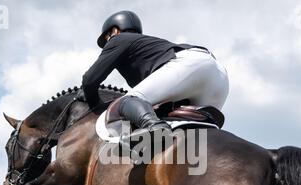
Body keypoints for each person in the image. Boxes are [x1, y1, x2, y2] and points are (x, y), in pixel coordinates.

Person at [82, 10, 229, 138]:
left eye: (107, 38)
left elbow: (89, 80)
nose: (108, 42)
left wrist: (96, 106)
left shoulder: (119, 39)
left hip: (192, 64)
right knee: (194, 132)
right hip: (220, 77)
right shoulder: (146, 46)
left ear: (114, 31)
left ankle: (154, 127)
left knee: (126, 101)